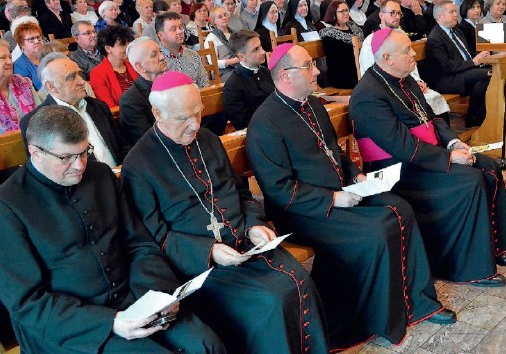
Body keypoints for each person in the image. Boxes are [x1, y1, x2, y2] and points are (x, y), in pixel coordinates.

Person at [246, 43, 456, 350]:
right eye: (309, 67)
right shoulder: (265, 124)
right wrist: (331, 199)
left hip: (344, 191)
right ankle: (379, 318)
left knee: (401, 208)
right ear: (287, 75)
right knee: (375, 231)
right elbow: (279, 190)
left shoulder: (313, 104)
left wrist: (355, 173)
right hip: (304, 211)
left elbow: (334, 154)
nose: (317, 70)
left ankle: (417, 302)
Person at [122, 70, 329, 353]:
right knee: (272, 300)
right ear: (157, 113)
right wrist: (209, 251)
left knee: (301, 282)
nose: (195, 125)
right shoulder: (139, 164)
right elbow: (154, 237)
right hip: (198, 266)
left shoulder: (208, 140)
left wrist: (254, 224)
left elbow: (242, 192)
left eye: (198, 113)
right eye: (183, 118)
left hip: (245, 242)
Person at [3, 105, 225, 353]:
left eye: (84, 152)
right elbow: (28, 304)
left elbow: (139, 243)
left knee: (206, 345)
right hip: (76, 327)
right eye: (66, 157)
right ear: (35, 152)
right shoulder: (8, 205)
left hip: (135, 295)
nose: (80, 166)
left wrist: (157, 295)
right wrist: (111, 322)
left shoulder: (100, 175)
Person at [350, 29, 506, 288]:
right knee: (469, 181)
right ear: (386, 57)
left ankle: (492, 247)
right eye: (407, 50)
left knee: (488, 167)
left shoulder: (406, 80)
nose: (414, 53)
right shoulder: (368, 94)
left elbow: (433, 119)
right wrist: (448, 158)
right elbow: (401, 145)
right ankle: (468, 267)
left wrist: (453, 141)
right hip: (396, 168)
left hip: (422, 158)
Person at [21, 52, 125, 167]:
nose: (82, 82)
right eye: (71, 77)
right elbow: (45, 170)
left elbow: (122, 145)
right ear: (51, 86)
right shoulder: (36, 122)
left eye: (80, 74)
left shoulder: (98, 106)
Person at [359, 0, 451, 122]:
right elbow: (369, 70)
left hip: (408, 83)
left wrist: (417, 81)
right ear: (381, 15)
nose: (396, 17)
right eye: (392, 13)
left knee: (436, 100)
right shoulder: (371, 41)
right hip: (386, 89)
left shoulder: (401, 36)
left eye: (399, 13)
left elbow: (410, 62)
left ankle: (440, 137)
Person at [423, 0, 491, 127]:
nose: (456, 15)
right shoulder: (435, 38)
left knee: (493, 72)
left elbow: (466, 53)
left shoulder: (457, 31)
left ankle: (481, 116)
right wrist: (473, 62)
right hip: (447, 78)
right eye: (451, 12)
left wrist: (481, 57)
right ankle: (474, 118)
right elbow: (447, 66)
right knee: (488, 75)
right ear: (440, 17)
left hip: (464, 71)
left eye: (455, 11)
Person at [120, 37, 168, 146]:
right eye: (154, 54)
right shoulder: (130, 100)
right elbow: (148, 141)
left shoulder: (174, 84)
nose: (162, 57)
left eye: (160, 51)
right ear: (140, 66)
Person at [223, 30, 275, 130]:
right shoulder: (233, 86)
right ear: (241, 57)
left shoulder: (266, 72)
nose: (263, 51)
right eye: (256, 49)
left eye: (260, 46)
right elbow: (242, 123)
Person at [319, 0, 364, 89]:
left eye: (347, 10)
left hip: (358, 69)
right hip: (341, 75)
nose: (346, 13)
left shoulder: (355, 28)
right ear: (333, 14)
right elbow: (338, 60)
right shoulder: (329, 35)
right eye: (341, 11)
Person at [90, 25, 138, 107]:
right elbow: (109, 106)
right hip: (122, 116)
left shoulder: (133, 64)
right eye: (122, 44)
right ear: (108, 49)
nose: (127, 48)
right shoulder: (97, 74)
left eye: (128, 43)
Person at [156, 12, 209, 87]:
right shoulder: (156, 60)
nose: (180, 32)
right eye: (173, 29)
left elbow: (204, 84)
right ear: (161, 35)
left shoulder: (193, 55)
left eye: (181, 27)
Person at [0, 40, 35, 133]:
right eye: (3, 58)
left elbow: (42, 115)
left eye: (10, 57)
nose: (10, 62)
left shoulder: (24, 83)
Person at [205, 6, 239, 82]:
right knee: (240, 77)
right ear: (214, 21)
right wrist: (235, 60)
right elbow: (213, 63)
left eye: (225, 15)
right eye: (220, 17)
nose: (224, 18)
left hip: (238, 67)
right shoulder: (211, 38)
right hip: (221, 72)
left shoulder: (235, 33)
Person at [13, 21, 44, 91]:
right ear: (21, 44)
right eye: (31, 39)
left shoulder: (47, 56)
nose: (37, 41)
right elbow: (28, 93)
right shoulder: (19, 65)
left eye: (38, 37)